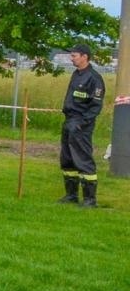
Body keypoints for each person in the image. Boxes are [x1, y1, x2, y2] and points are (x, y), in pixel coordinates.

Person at [58, 43, 106, 208]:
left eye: (74, 55)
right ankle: (71, 195)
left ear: (85, 56)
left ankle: (90, 200)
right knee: (67, 159)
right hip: (69, 120)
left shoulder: (94, 78)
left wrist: (82, 123)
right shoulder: (76, 74)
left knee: (83, 159)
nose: (72, 58)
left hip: (81, 124)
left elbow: (95, 106)